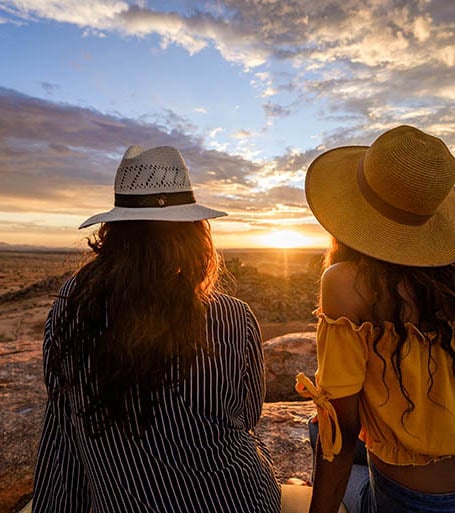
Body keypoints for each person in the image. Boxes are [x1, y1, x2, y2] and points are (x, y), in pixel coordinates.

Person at [32, 145, 281, 513]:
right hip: (240, 500)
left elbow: (62, 415)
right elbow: (247, 416)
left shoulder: (73, 309)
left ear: (113, 232)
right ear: (196, 233)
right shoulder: (234, 317)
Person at [295, 125, 455, 513]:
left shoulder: (344, 281)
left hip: (415, 503)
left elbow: (339, 434)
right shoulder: (447, 287)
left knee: (319, 427)